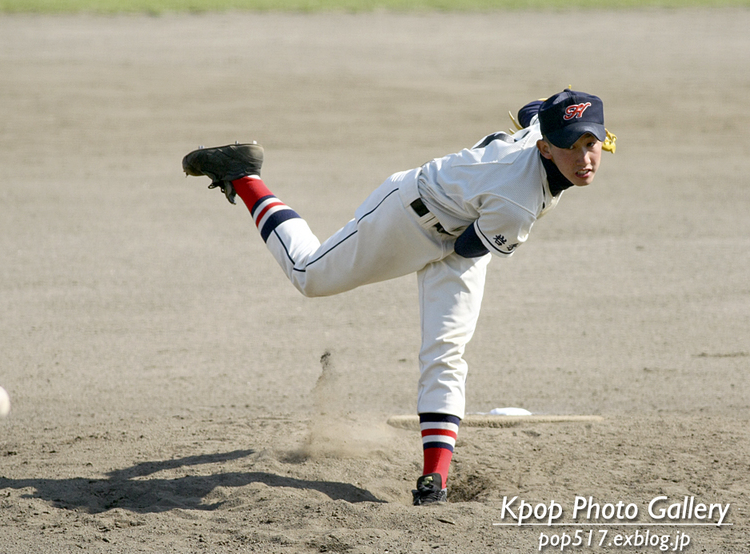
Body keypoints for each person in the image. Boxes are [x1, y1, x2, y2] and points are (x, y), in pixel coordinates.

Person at [182, 89, 616, 506]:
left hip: (464, 225)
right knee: (309, 273)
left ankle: (435, 478)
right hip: (409, 216)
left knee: (446, 351)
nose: (584, 158)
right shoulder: (517, 202)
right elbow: (468, 246)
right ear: (544, 148)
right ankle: (244, 175)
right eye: (570, 147)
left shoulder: (545, 128)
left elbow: (531, 110)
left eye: (591, 142)